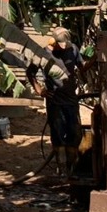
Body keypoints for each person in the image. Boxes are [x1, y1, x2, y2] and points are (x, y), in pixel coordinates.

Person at [31, 28, 83, 173]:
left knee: (75, 133)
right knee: (58, 135)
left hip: (72, 100)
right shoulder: (43, 54)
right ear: (53, 42)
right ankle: (61, 169)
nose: (63, 47)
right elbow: (31, 72)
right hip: (55, 102)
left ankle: (72, 169)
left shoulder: (73, 49)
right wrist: (39, 90)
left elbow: (81, 67)